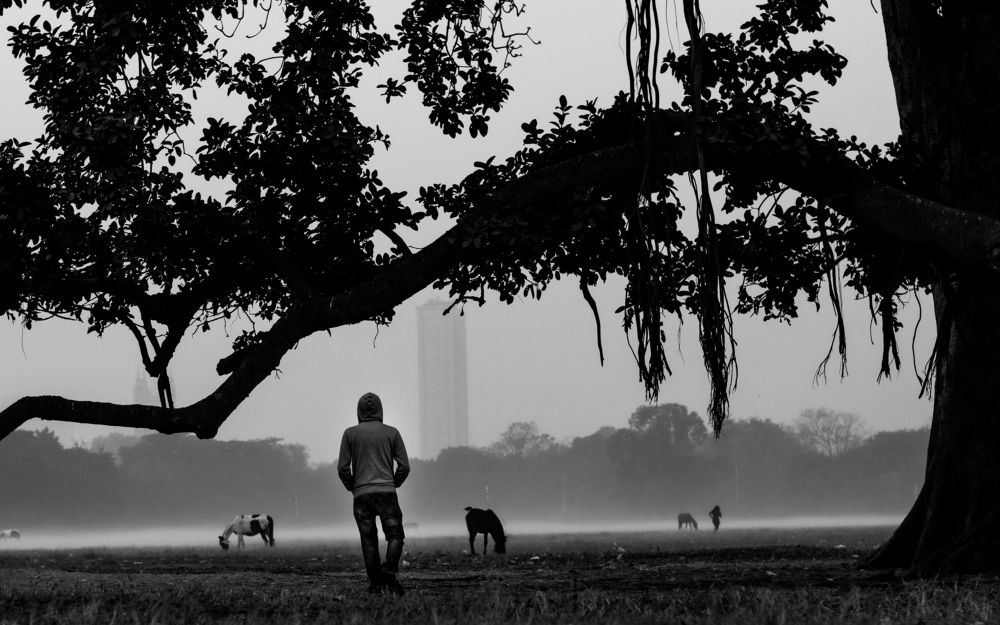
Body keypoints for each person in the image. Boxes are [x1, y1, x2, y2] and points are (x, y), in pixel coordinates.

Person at [337, 392, 410, 595]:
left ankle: (377, 583)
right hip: (387, 493)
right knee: (395, 536)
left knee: (369, 541)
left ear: (359, 411)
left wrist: (353, 486)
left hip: (361, 496)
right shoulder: (392, 433)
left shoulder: (350, 434)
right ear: (380, 410)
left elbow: (343, 468)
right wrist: (393, 483)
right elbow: (404, 466)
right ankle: (389, 573)